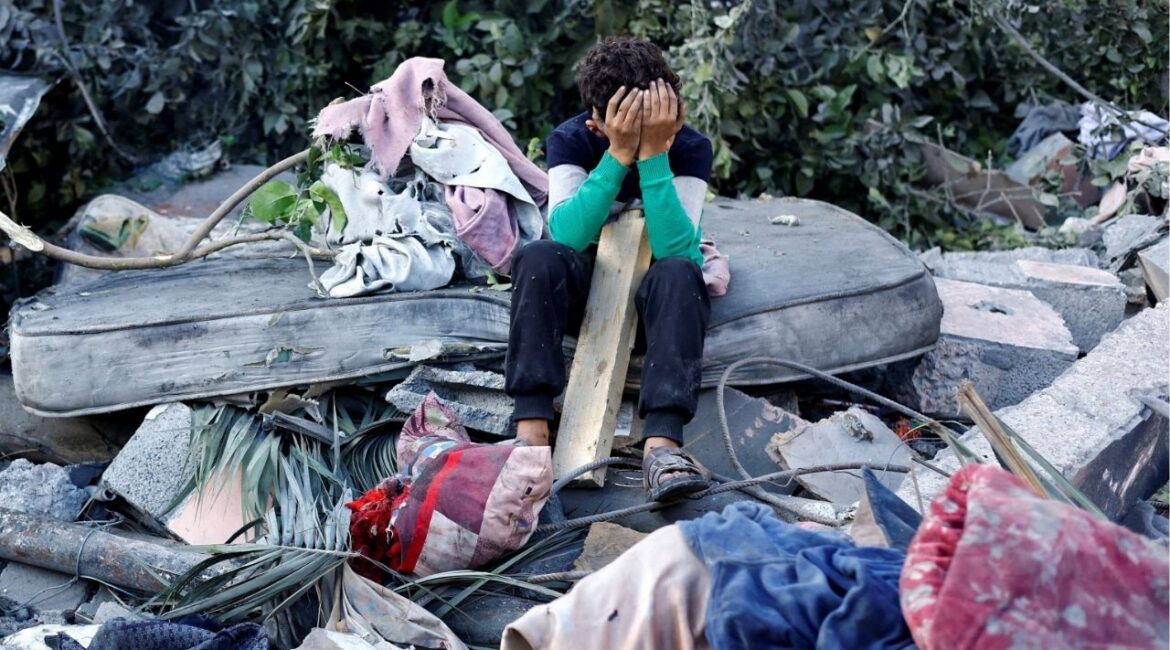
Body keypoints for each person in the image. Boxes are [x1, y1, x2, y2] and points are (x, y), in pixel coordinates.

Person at [504, 36, 714, 501]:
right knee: (537, 256)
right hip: (583, 290)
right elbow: (566, 235)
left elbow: (677, 246)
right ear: (598, 124)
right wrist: (618, 156)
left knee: (682, 271)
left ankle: (661, 446)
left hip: (655, 304)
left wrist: (655, 155)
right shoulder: (573, 140)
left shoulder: (689, 148)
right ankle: (532, 430)